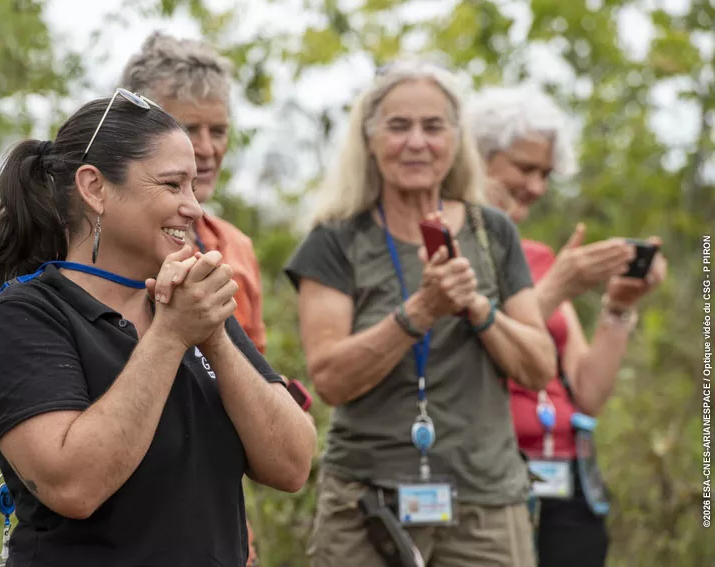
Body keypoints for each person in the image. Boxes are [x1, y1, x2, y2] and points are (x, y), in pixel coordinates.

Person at [0, 90, 316, 566]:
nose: (193, 207)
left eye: (194, 187)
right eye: (172, 185)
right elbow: (73, 485)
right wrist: (171, 337)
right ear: (94, 189)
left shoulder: (189, 305)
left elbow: (292, 464)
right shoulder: (27, 318)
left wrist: (212, 337)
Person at [284, 60, 557, 567]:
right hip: (369, 502)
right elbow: (330, 380)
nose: (416, 142)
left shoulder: (491, 232)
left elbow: (540, 366)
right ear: (369, 139)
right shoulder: (336, 239)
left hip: (486, 503)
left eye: (433, 127)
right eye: (398, 126)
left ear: (456, 140)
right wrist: (420, 311)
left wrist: (477, 307)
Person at [465, 84, 667, 567]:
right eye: (524, 168)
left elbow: (587, 392)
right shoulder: (449, 252)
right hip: (487, 478)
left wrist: (617, 306)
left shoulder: (538, 256)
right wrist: (558, 285)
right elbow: (466, 347)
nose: (536, 186)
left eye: (546, 174)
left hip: (567, 473)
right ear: (476, 157)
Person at [119, 32, 270, 565]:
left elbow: (252, 394)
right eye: (186, 128)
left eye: (218, 130)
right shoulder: (101, 248)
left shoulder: (235, 248)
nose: (205, 149)